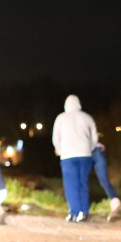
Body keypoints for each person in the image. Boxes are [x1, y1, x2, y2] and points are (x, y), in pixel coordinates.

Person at [52, 94, 97, 222]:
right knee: (83, 183)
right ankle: (84, 212)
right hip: (85, 155)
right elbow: (94, 137)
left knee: (71, 185)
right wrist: (90, 148)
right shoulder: (87, 117)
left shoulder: (61, 118)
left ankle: (74, 212)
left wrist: (60, 150)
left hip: (68, 156)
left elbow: (56, 137)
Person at [92, 144, 121, 221]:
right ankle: (79, 210)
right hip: (86, 151)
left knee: (103, 179)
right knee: (81, 181)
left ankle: (116, 206)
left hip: (93, 150)